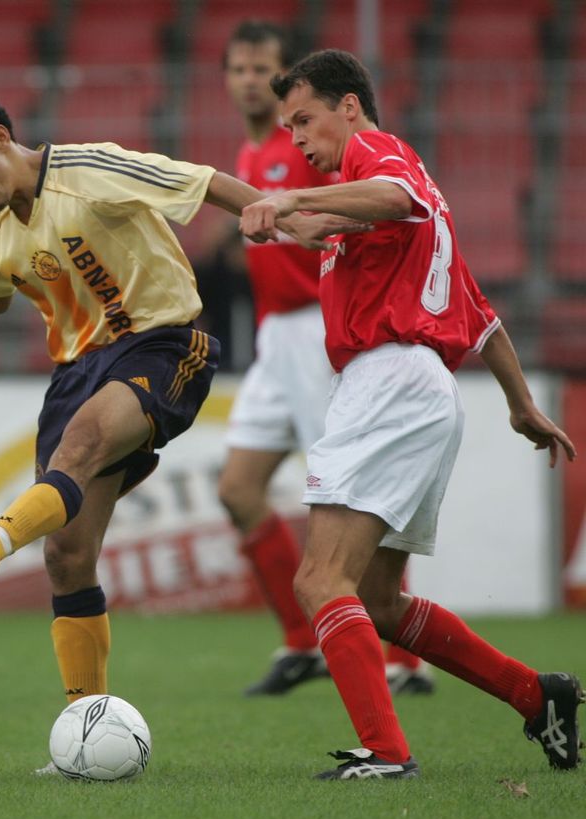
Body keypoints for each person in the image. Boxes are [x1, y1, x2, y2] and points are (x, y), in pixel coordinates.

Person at [0, 92, 363, 741]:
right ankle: (87, 727)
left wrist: (280, 212)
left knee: (80, 445)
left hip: (162, 343)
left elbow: (200, 182)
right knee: (66, 556)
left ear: (2, 136)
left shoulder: (90, 170)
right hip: (75, 374)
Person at [239, 49, 581, 779]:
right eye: (288, 125)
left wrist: (294, 201)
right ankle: (537, 695)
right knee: (379, 601)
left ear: (350, 107)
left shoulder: (379, 156)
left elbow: (392, 196)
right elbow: (480, 314)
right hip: (422, 390)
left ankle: (388, 755)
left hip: (387, 380)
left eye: (305, 119)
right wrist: (523, 407)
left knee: (319, 583)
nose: (296, 138)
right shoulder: (383, 206)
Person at [221, 20, 433, 697]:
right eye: (240, 69)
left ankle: (400, 658)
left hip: (323, 329)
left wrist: (295, 212)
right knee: (237, 489)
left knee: (353, 495)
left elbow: (359, 222)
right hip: (273, 337)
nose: (249, 80)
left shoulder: (311, 157)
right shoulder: (252, 157)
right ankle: (299, 639)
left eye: (262, 69)